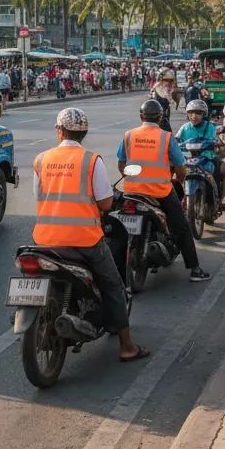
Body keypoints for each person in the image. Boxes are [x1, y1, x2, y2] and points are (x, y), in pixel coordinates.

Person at [35, 107, 148, 362]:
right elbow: (106, 203)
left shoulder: (41, 159)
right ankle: (127, 346)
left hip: (45, 240)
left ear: (60, 131)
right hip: (84, 241)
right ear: (83, 133)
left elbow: (38, 195)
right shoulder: (90, 160)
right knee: (114, 286)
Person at [118, 99, 211, 281]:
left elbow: (121, 164)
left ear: (141, 117)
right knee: (182, 227)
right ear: (160, 118)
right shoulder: (166, 137)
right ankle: (195, 269)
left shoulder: (128, 135)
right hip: (160, 192)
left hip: (132, 192)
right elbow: (179, 166)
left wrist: (132, 175)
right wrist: (180, 180)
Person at [177, 99, 225, 211]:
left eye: (198, 113)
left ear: (204, 114)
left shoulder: (210, 127)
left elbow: (213, 140)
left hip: (207, 159)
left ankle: (219, 200)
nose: (194, 116)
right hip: (188, 159)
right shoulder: (185, 127)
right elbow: (177, 139)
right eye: (191, 113)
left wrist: (216, 144)